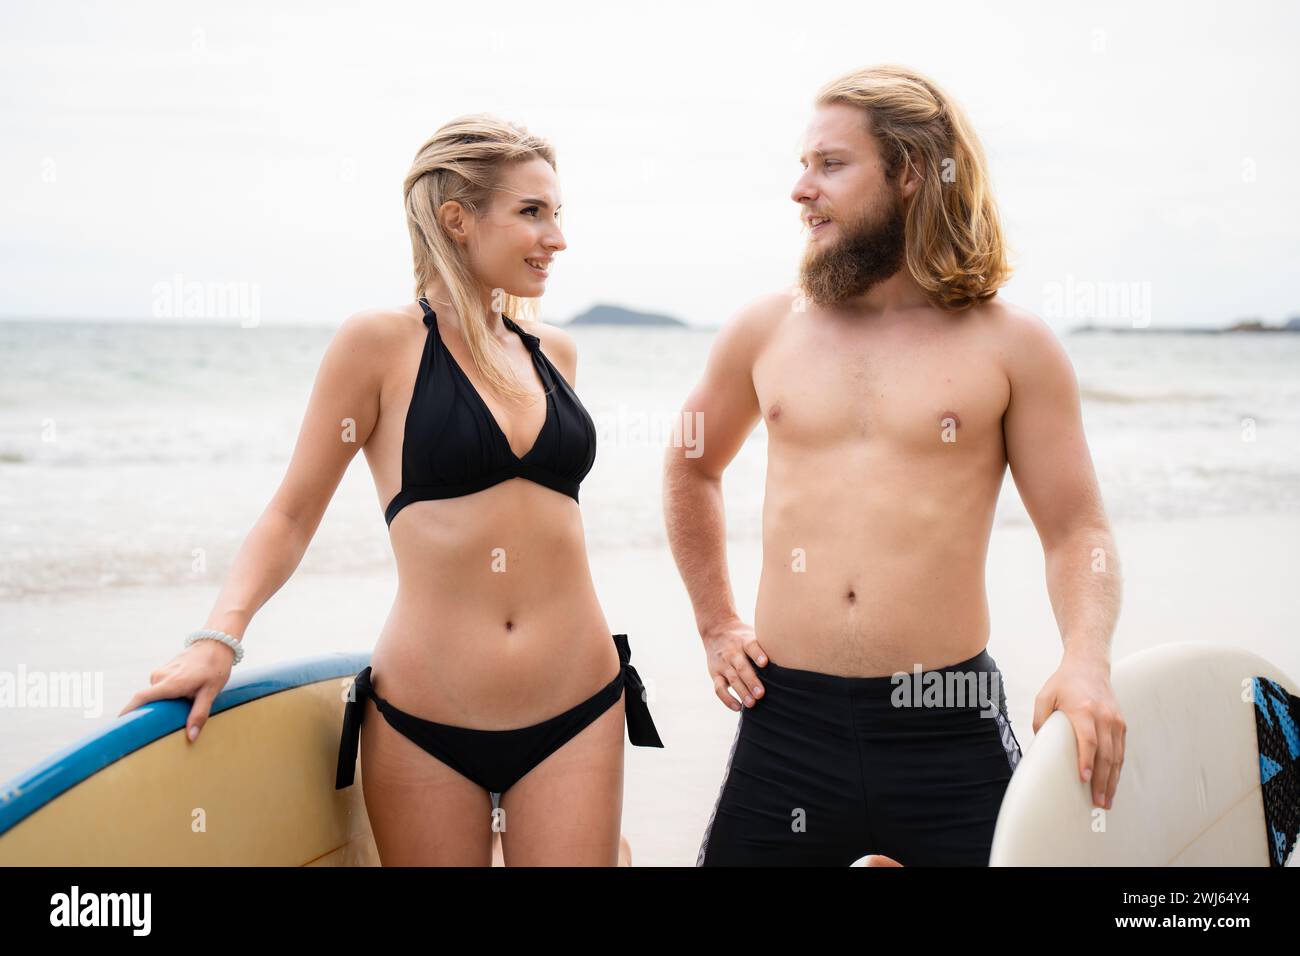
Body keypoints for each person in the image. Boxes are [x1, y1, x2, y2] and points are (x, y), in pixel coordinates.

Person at [121, 115, 662, 866]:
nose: (557, 238)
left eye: (557, 214)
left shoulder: (554, 354)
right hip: (422, 720)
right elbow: (290, 513)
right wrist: (219, 638)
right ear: (458, 220)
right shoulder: (377, 344)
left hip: (579, 704)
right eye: (533, 213)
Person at [663, 65, 1125, 866]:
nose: (801, 190)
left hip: (946, 719)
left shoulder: (1012, 346)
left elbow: (1075, 528)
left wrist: (1085, 661)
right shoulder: (766, 331)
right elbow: (689, 467)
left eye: (830, 165)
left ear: (912, 173)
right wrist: (716, 623)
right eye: (802, 166)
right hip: (789, 721)